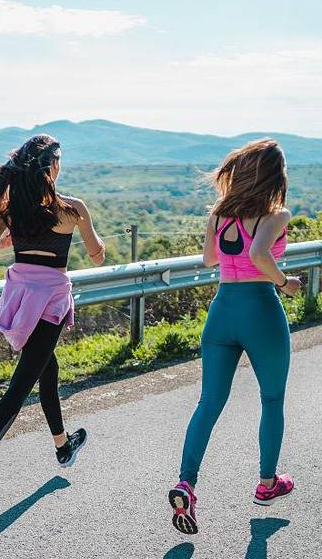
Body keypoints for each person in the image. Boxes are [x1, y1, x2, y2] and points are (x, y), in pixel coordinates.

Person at [0, 134, 106, 505]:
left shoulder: (12, 211)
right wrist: (95, 240)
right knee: (24, 380)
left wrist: (9, 237)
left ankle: (62, 446)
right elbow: (96, 256)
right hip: (51, 300)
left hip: (22, 299)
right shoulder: (73, 209)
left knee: (46, 369)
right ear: (52, 166)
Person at [169, 138, 299, 535]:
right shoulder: (276, 216)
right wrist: (284, 281)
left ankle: (186, 483)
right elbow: (261, 254)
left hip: (222, 311)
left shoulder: (219, 215)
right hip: (260, 308)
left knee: (209, 402)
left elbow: (210, 259)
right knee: (272, 399)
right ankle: (266, 484)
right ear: (275, 177)